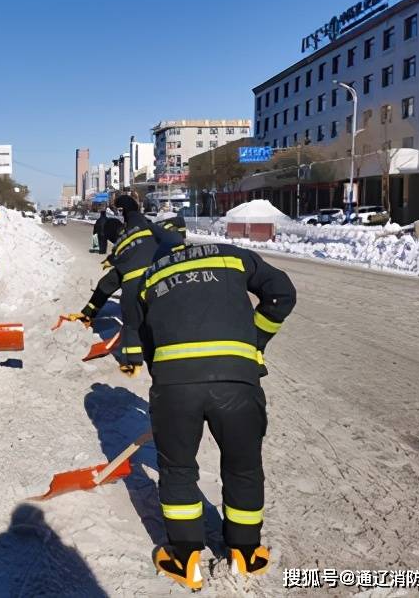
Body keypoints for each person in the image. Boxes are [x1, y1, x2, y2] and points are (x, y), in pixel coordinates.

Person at [138, 242, 296, 590]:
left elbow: (145, 340)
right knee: (244, 465)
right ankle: (246, 554)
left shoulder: (150, 277)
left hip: (174, 386)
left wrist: (169, 382)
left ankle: (185, 559)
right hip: (237, 381)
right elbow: (282, 293)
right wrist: (254, 341)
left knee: (178, 470)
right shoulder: (231, 255)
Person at [64, 195, 181, 372]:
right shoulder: (139, 225)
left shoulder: (119, 250)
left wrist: (87, 313)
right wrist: (125, 204)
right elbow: (133, 213)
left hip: (133, 291)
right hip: (160, 279)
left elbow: (106, 286)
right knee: (165, 315)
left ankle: (133, 362)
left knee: (131, 325)